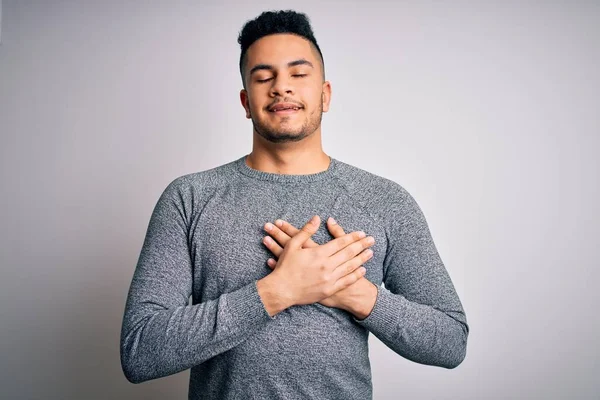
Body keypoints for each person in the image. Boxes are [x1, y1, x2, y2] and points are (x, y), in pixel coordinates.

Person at [120, 9, 469, 400]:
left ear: (325, 94)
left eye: (298, 75)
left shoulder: (386, 201)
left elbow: (451, 341)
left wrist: (353, 292)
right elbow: (139, 350)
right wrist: (278, 291)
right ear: (246, 101)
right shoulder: (189, 199)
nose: (281, 88)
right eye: (263, 77)